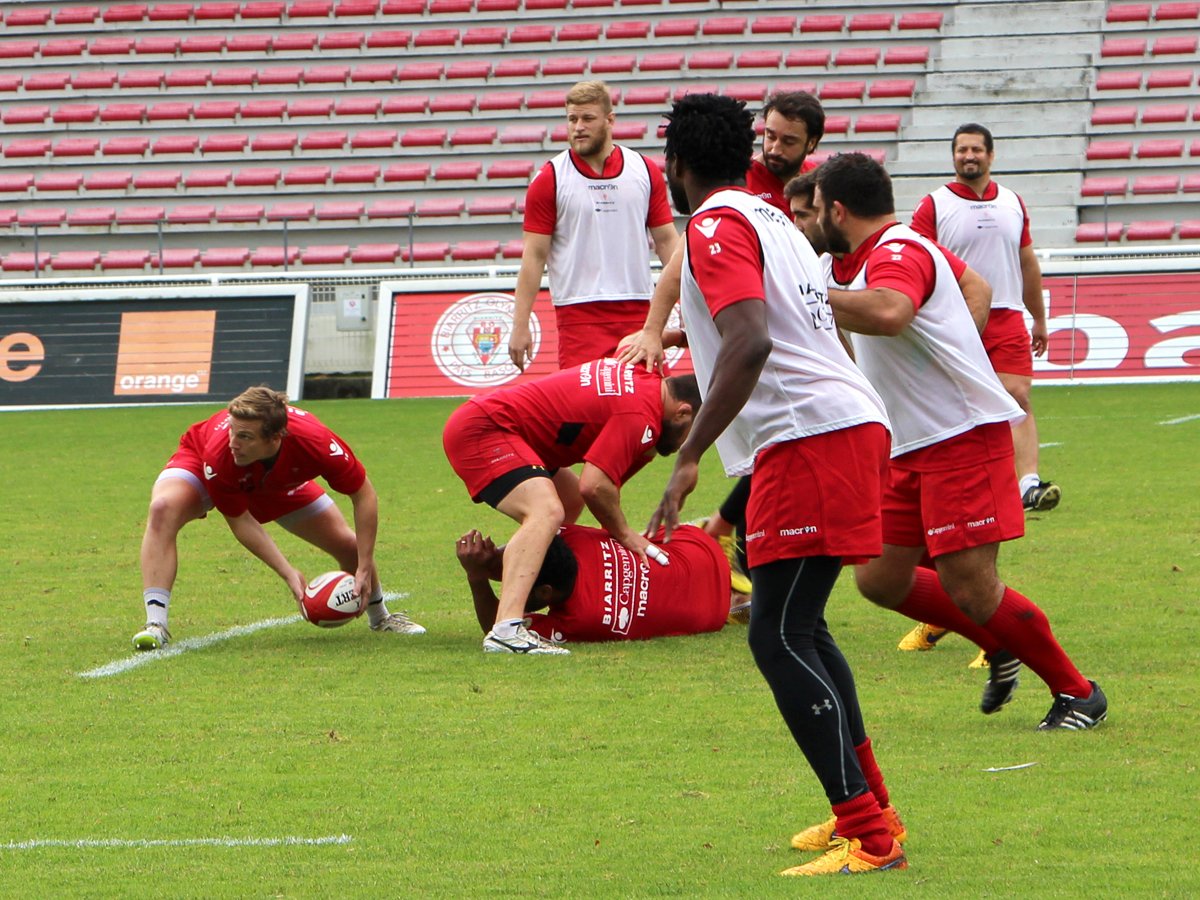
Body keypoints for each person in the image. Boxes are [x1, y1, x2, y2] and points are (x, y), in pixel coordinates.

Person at [649, 93, 906, 877]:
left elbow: (751, 339)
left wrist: (691, 452)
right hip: (838, 425)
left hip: (813, 436)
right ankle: (870, 808)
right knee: (807, 627)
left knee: (777, 632)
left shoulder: (717, 225)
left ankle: (869, 835)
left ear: (678, 169)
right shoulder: (771, 219)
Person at [812, 152, 1107, 732]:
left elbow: (893, 311)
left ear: (838, 211)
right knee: (879, 579)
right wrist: (952, 339)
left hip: (961, 437)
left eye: (815, 209)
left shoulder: (898, 251)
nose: (808, 219)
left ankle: (1079, 693)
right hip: (907, 443)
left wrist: (805, 298)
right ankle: (1000, 646)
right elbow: (974, 283)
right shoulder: (845, 260)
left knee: (972, 586)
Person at [133, 386, 424, 650]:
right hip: (206, 465)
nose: (233, 441)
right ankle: (156, 623)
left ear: (276, 437)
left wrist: (362, 567)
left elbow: (363, 494)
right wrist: (288, 572)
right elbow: (240, 519)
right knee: (162, 509)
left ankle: (380, 617)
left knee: (351, 547)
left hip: (279, 481)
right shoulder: (222, 451)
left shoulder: (316, 441)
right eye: (233, 430)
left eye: (245, 436)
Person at [442, 359, 701, 655]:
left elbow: (598, 487)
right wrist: (624, 534)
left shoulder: (645, 380)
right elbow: (594, 486)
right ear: (683, 411)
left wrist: (666, 334)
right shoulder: (641, 414)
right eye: (689, 433)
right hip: (486, 430)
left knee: (567, 502)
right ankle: (506, 629)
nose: (683, 445)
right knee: (546, 511)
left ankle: (513, 569)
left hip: (505, 428)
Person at [911, 123, 1060, 513]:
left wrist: (1038, 319)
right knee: (960, 404)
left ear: (991, 156)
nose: (969, 156)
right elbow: (918, 262)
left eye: (976, 149)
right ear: (954, 156)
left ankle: (1027, 485)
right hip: (958, 318)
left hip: (1008, 316)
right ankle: (965, 482)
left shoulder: (1012, 201)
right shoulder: (934, 204)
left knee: (1017, 396)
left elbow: (1027, 262)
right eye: (962, 150)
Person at [510, 80, 679, 372]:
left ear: (610, 120)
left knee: (649, 408)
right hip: (578, 316)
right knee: (582, 412)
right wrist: (520, 324)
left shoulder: (644, 170)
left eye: (587, 118)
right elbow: (534, 256)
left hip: (640, 312)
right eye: (572, 119)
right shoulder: (550, 178)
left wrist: (687, 300)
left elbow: (667, 241)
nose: (578, 127)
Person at [454, 523, 731, 643]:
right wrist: (488, 562)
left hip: (712, 612)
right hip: (700, 549)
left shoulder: (582, 620)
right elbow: (530, 543)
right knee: (636, 540)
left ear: (546, 592)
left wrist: (477, 575)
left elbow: (498, 626)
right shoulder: (574, 538)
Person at [746, 90, 825, 214]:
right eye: (770, 136)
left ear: (811, 143)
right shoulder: (743, 182)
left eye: (788, 142)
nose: (775, 150)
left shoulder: (819, 182)